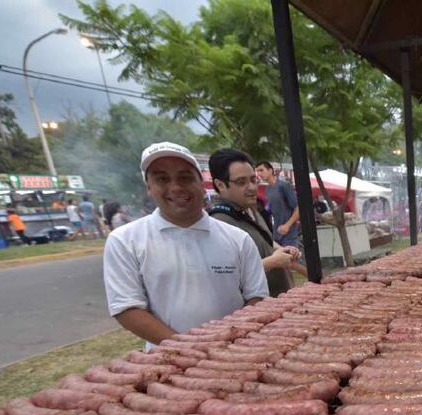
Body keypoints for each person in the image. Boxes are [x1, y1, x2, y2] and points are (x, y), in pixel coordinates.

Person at [103, 141, 269, 349]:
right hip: (167, 361)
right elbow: (127, 308)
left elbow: (257, 297)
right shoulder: (124, 240)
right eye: (162, 179)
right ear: (149, 187)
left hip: (236, 353)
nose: (175, 187)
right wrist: (187, 347)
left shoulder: (238, 238)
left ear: (201, 183)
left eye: (185, 177)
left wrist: (229, 341)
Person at [209, 148, 298, 297]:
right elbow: (227, 277)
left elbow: (264, 240)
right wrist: (272, 262)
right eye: (241, 182)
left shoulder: (250, 209)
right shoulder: (218, 223)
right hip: (255, 311)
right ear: (220, 185)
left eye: (253, 180)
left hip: (279, 301)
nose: (251, 187)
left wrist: (281, 248)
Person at [255, 161, 298, 247]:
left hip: (289, 233)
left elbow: (298, 208)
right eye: (257, 171)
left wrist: (287, 225)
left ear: (270, 170)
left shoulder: (283, 185)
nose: (259, 174)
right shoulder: (267, 189)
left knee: (291, 258)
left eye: (261, 170)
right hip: (276, 233)